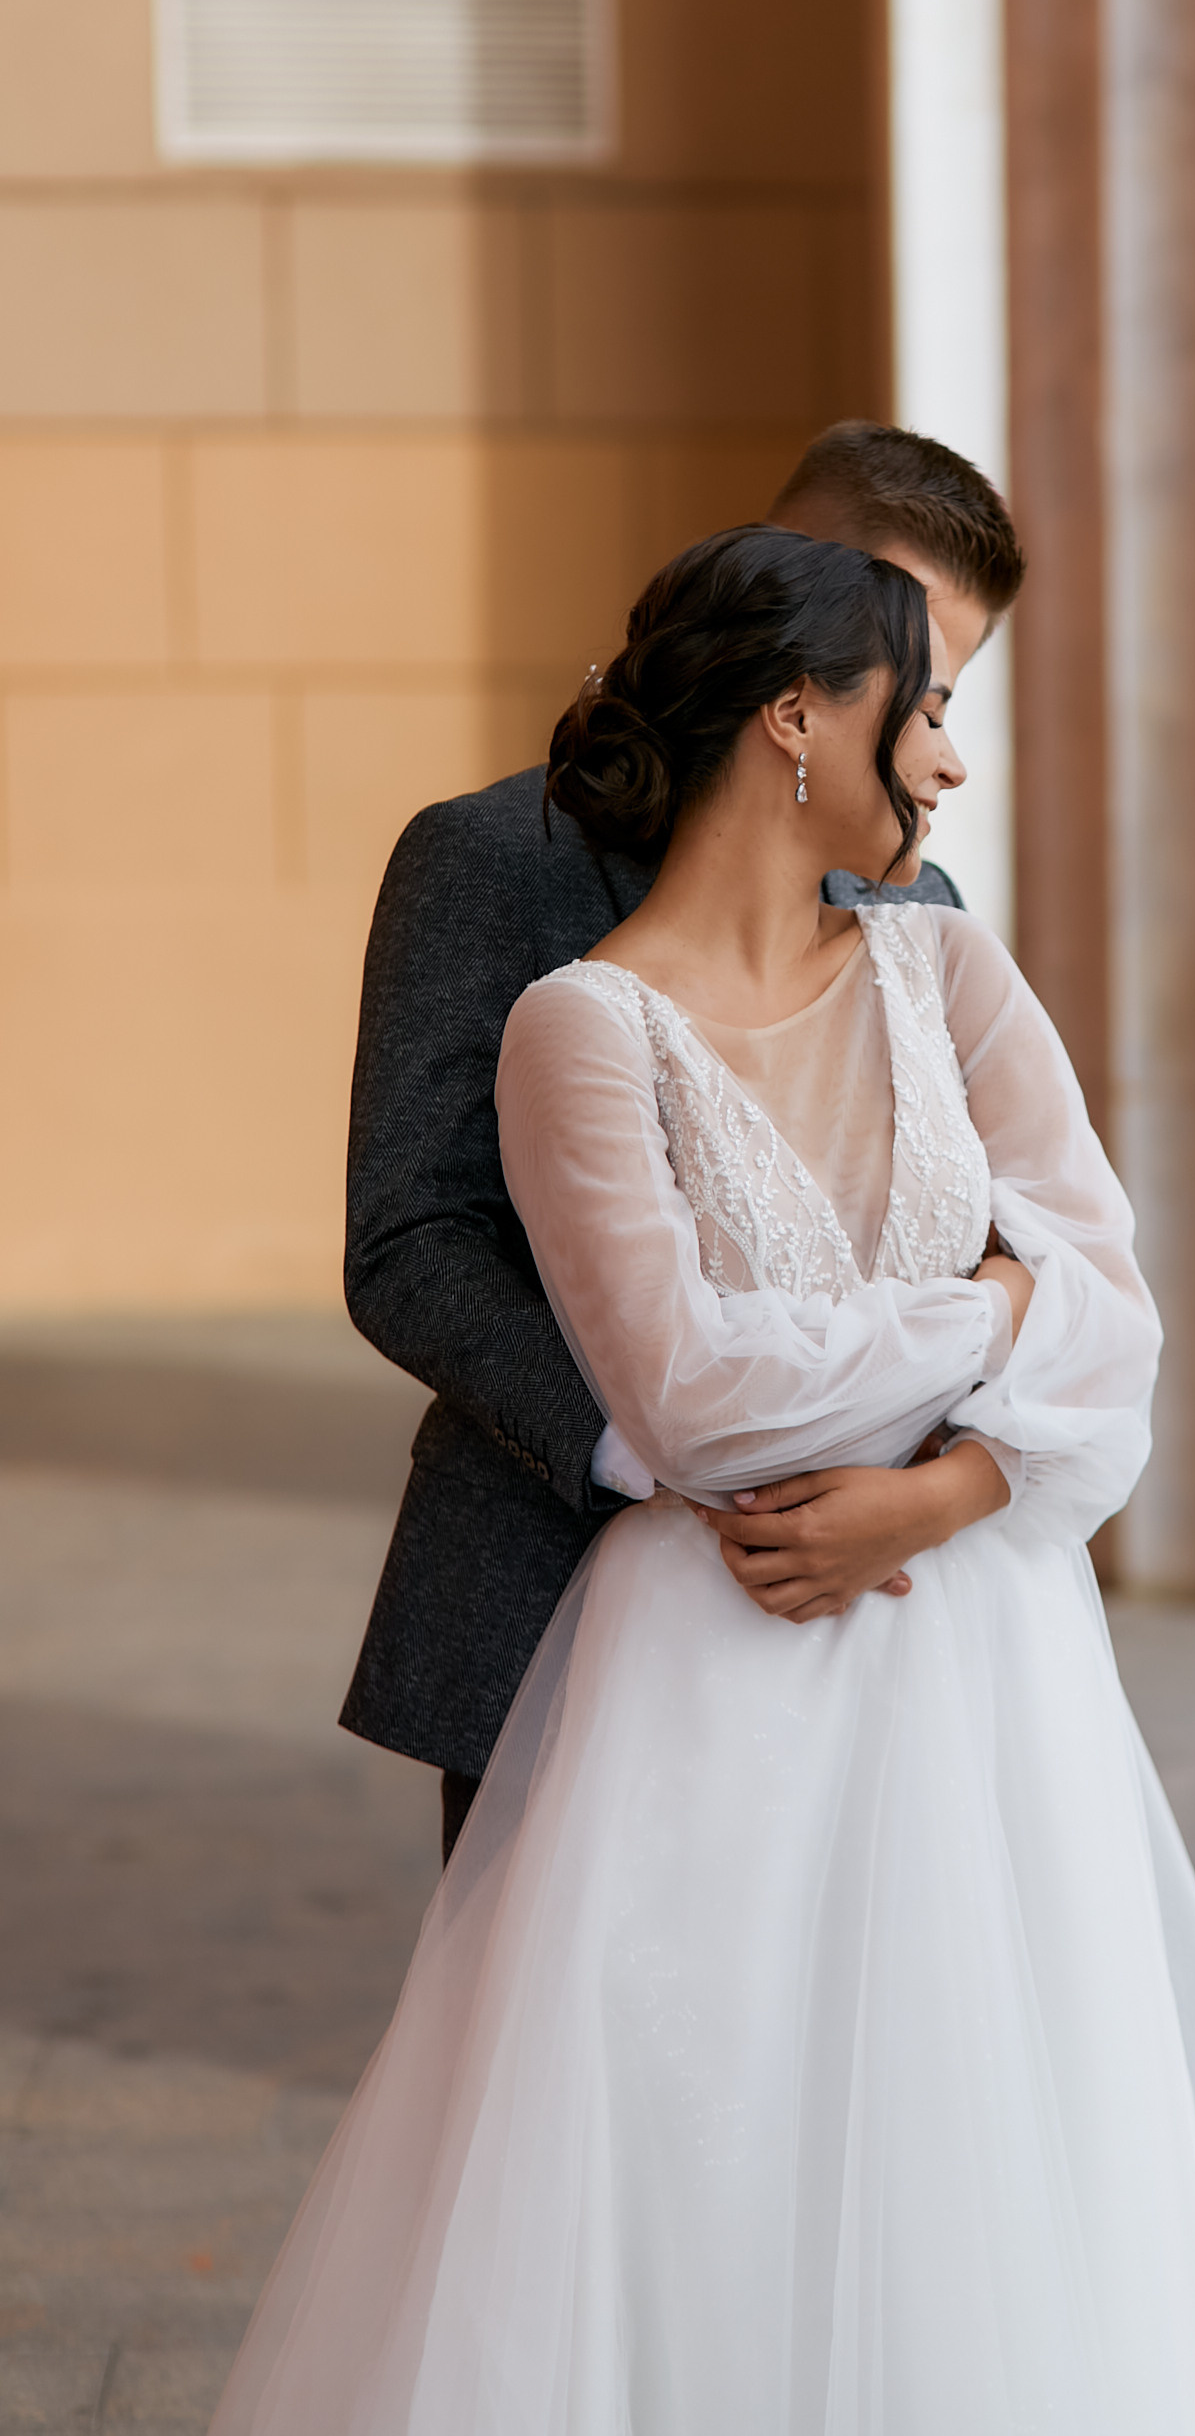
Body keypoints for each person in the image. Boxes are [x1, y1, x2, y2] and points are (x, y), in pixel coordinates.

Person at [211, 526, 1195, 2436]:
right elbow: (683, 1398)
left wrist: (946, 1483)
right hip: (701, 1651)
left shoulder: (946, 963)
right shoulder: (576, 1016)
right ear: (792, 716)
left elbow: (1126, 1320)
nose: (949, 759)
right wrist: (991, 1313)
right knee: (688, 2146)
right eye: (921, 706)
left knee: (996, 2144)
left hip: (987, 1659)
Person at [339, 422, 1025, 1863]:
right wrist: (673, 1459)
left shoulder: (927, 903)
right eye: (888, 649)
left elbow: (1023, 1236)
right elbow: (412, 1239)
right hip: (548, 1574)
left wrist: (929, 1492)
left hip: (886, 1614)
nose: (923, 732)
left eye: (944, 678)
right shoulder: (487, 860)